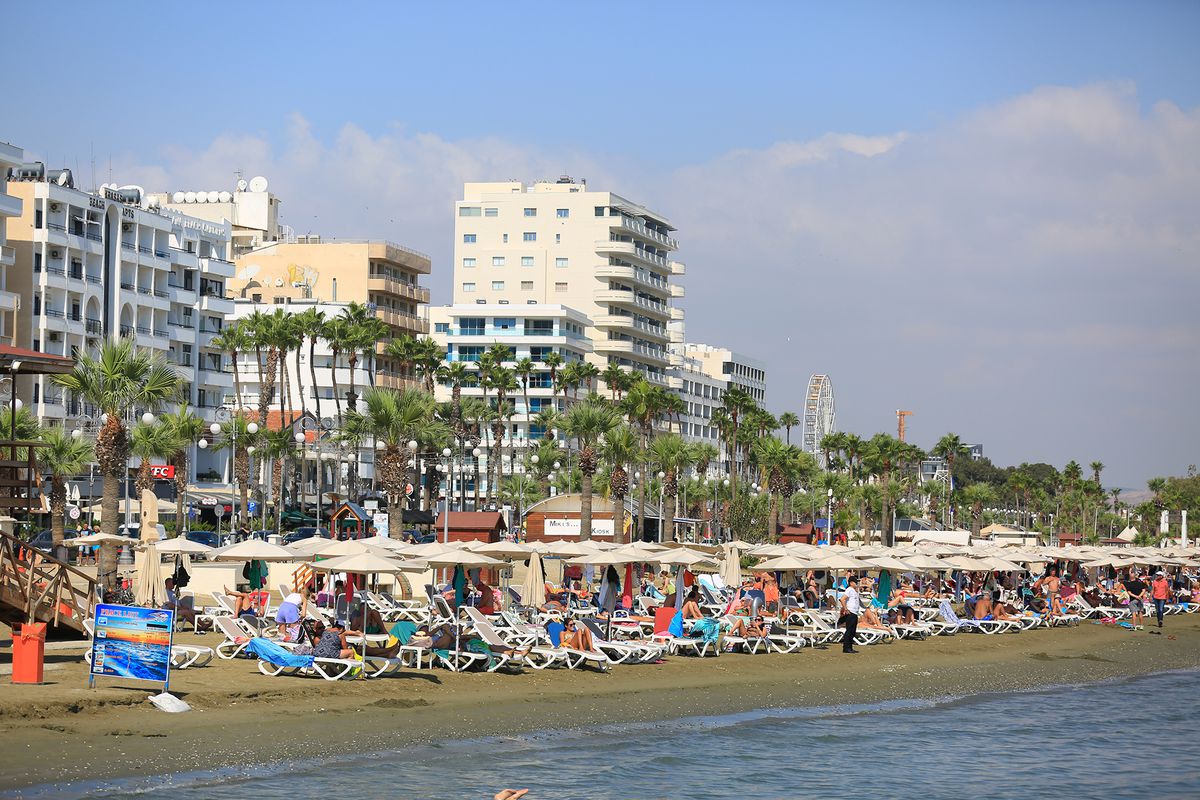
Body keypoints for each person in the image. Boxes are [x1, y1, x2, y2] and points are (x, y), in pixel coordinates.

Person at [839, 574, 862, 654]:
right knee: (849, 630)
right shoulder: (849, 589)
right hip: (851, 612)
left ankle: (850, 647)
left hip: (855, 612)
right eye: (855, 582)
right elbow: (842, 599)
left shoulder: (854, 591)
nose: (856, 584)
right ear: (851, 583)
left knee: (853, 631)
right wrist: (845, 609)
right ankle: (846, 648)